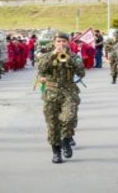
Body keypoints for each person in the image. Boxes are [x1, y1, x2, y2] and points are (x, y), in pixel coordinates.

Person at [38, 32, 85, 164]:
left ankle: (66, 140)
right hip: (51, 93)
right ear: (54, 42)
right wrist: (53, 55)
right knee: (53, 125)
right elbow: (41, 69)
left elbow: (81, 73)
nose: (61, 44)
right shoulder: (46, 55)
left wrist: (70, 59)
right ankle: (56, 152)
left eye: (64, 41)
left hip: (69, 93)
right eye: (58, 41)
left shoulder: (74, 57)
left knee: (68, 118)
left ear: (68, 43)